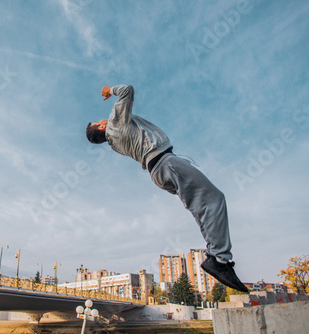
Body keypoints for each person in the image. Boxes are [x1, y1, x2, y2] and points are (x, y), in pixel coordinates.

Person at [86, 84, 248, 292]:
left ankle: (216, 255)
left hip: (159, 171)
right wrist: (111, 90)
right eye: (101, 121)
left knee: (202, 207)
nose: (104, 119)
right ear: (102, 128)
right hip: (166, 163)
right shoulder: (115, 125)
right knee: (214, 199)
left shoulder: (115, 143)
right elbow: (127, 90)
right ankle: (220, 259)